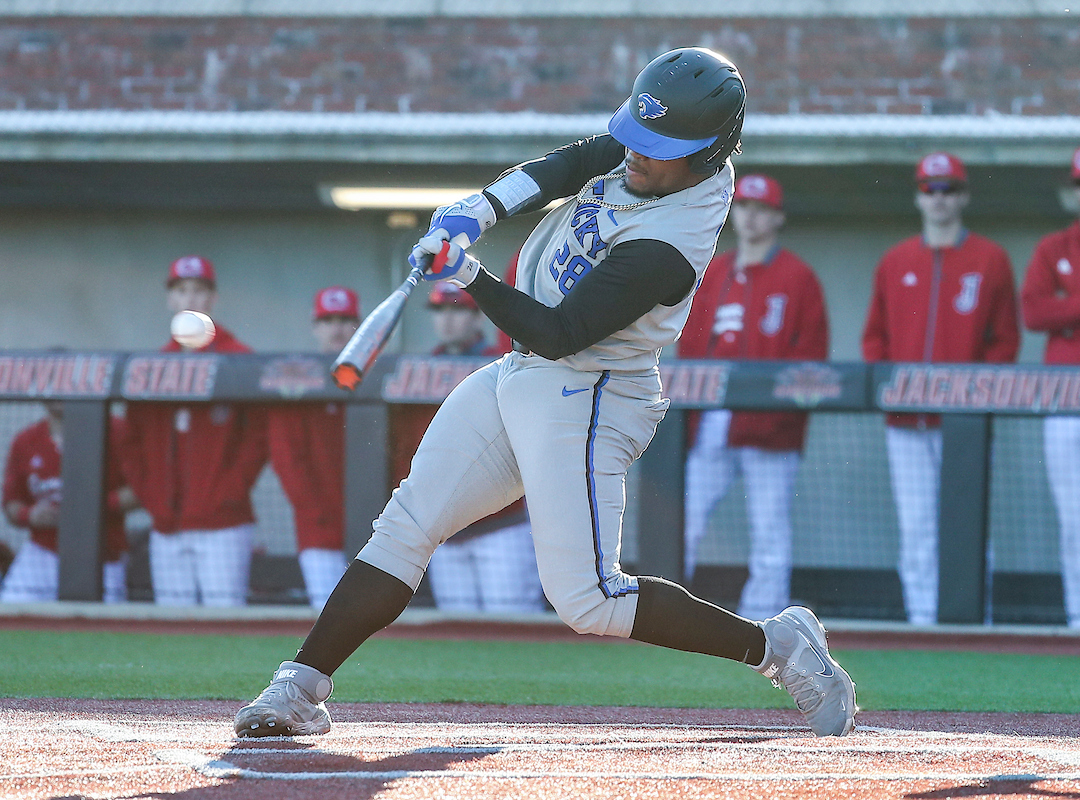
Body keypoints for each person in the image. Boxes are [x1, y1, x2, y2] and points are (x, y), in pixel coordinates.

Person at [235, 47, 856, 740]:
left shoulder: (672, 242)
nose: (636, 157)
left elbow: (563, 332)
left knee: (590, 600)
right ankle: (301, 685)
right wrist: (484, 205)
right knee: (407, 523)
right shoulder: (647, 153)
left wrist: (467, 276)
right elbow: (569, 164)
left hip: (591, 391)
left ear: (709, 154)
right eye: (637, 138)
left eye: (658, 150)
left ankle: (775, 647)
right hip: (523, 372)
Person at [862, 152, 1020, 625]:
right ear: (918, 196)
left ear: (963, 195)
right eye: (931, 189)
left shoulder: (990, 259)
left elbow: (1005, 340)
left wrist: (974, 397)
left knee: (968, 529)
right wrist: (894, 389)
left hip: (965, 426)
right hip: (906, 424)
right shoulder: (896, 260)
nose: (939, 199)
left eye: (949, 189)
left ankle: (975, 623)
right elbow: (874, 339)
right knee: (916, 529)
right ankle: (924, 623)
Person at [678, 174, 829, 621]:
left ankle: (766, 625)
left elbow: (812, 358)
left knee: (769, 530)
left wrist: (782, 418)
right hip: (714, 419)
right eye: (744, 207)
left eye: (761, 209)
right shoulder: (715, 271)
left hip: (769, 426)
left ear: (777, 217)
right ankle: (667, 614)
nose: (751, 216)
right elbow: (691, 346)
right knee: (686, 517)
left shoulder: (798, 277)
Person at [121, 255, 268, 606]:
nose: (190, 299)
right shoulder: (152, 366)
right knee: (171, 627)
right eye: (181, 290)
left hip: (223, 524)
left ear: (212, 299)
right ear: (171, 300)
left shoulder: (240, 358)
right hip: (167, 525)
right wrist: (152, 497)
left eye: (199, 291)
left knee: (225, 620)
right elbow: (130, 442)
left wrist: (228, 491)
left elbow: (260, 439)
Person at [388, 282, 543, 613]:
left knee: (513, 629)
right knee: (455, 633)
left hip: (501, 528)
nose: (448, 320)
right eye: (440, 311)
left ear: (477, 317)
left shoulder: (502, 365)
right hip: (446, 533)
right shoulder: (418, 370)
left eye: (458, 310)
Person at [267, 286, 360, 610]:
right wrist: (315, 514)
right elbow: (287, 462)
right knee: (327, 618)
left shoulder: (377, 374)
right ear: (315, 325)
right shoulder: (296, 381)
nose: (336, 328)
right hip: (318, 532)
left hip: (374, 529)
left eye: (345, 319)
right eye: (328, 320)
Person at [1020, 145, 1080, 629]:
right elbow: (1036, 311)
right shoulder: (1055, 248)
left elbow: (1055, 310)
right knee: (1073, 520)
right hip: (1066, 400)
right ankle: (1078, 617)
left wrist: (1069, 307)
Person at [0, 401, 135, 603]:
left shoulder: (118, 431)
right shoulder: (26, 440)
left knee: (102, 628)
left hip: (104, 554)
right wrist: (31, 515)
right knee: (8, 614)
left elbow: (139, 492)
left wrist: (87, 508)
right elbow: (11, 504)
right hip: (42, 553)